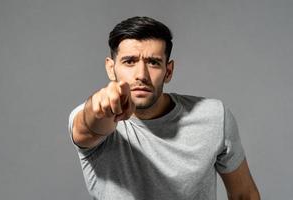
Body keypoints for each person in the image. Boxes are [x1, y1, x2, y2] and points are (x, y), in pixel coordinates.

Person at [68, 16, 260, 200]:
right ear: (111, 68)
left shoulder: (214, 117)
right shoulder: (92, 116)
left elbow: (244, 195)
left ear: (168, 72)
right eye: (129, 62)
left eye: (153, 62)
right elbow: (90, 126)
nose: (141, 75)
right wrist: (99, 108)